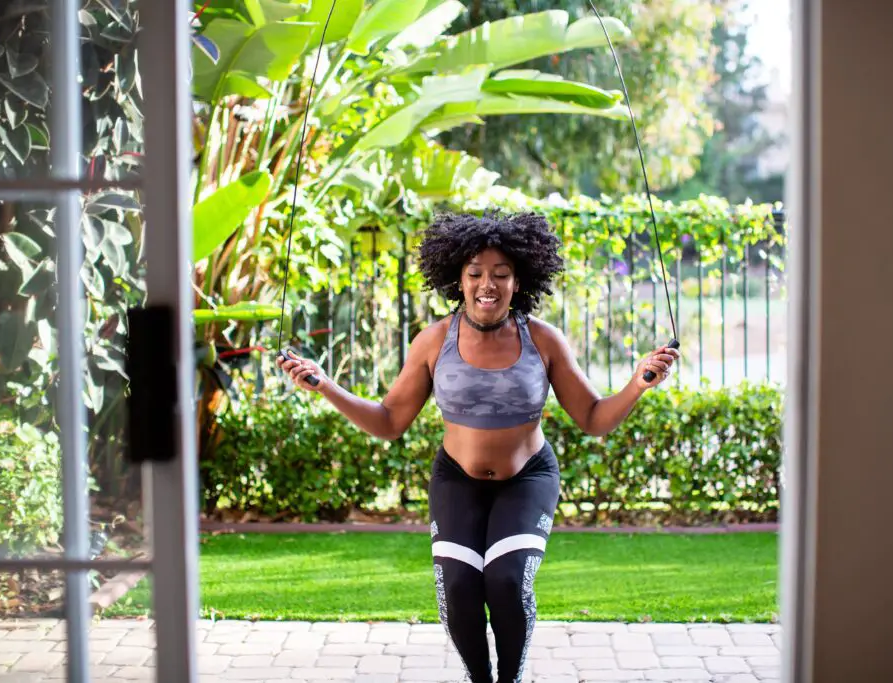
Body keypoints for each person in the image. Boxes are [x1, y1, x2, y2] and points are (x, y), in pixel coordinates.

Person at [277, 211, 679, 683]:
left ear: (518, 281)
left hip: (527, 477)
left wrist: (637, 383)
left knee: (507, 582)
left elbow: (592, 418)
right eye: (475, 274)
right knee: (460, 586)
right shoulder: (434, 341)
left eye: (501, 274)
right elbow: (388, 423)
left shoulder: (543, 340)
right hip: (457, 479)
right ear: (458, 280)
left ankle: (510, 679)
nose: (487, 284)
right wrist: (324, 385)